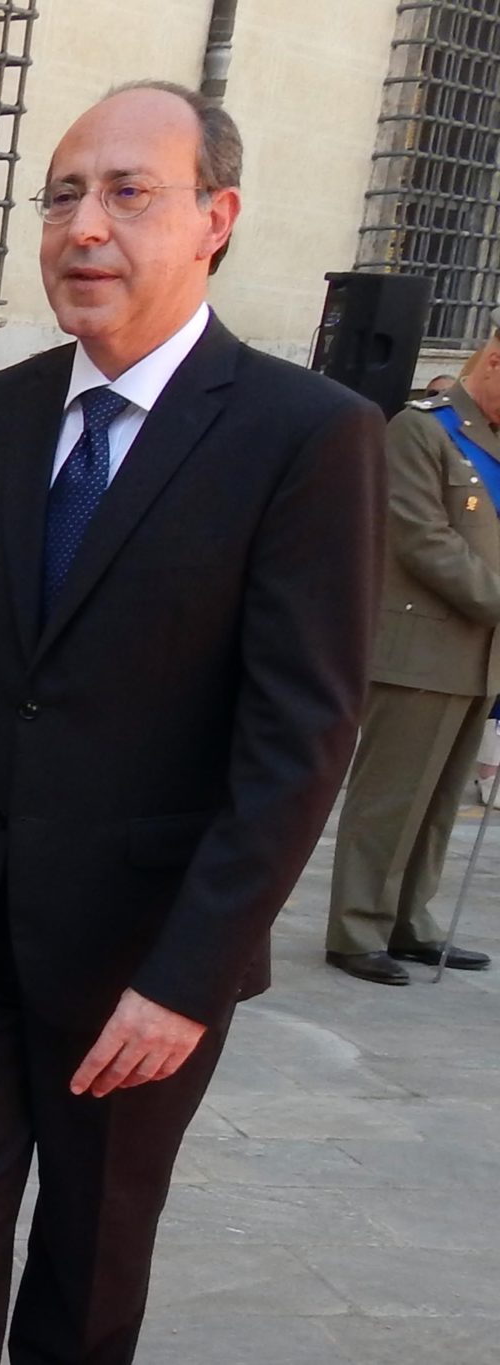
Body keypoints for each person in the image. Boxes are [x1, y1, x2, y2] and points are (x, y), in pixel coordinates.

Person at [0, 81, 383, 1364]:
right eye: (60, 196)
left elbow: (296, 740)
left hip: (140, 961)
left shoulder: (306, 437)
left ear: (215, 217)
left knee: (88, 1261)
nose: (82, 226)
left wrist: (186, 979)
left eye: (125, 193)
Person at [324, 310, 500, 985]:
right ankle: (358, 928)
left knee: (441, 800)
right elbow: (424, 540)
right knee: (392, 797)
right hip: (421, 649)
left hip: (479, 654)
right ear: (493, 363)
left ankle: (410, 920)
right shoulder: (423, 431)